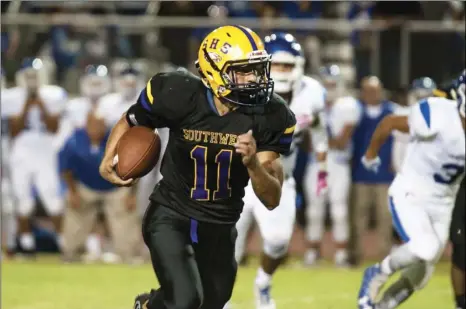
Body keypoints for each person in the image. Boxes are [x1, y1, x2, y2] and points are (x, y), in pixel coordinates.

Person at [99, 25, 296, 309]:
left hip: (220, 223)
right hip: (171, 214)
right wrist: (109, 157)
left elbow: (272, 198)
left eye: (257, 69)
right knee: (186, 301)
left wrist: (253, 164)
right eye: (243, 70)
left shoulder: (270, 114)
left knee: (210, 302)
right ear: (214, 71)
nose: (254, 78)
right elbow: (133, 119)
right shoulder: (178, 92)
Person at [230, 32, 326, 308]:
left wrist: (322, 167)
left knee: (277, 241)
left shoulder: (312, 94)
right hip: (237, 179)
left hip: (279, 179)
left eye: (288, 65)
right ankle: (219, 297)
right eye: (278, 65)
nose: (283, 71)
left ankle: (263, 283)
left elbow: (319, 129)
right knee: (228, 249)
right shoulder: (244, 92)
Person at [357, 71, 466, 309]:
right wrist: (371, 153)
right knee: (423, 249)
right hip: (413, 191)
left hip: (443, 202)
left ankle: (382, 306)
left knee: (422, 273)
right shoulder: (439, 115)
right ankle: (378, 272)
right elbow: (388, 123)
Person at [2, 58, 67, 255]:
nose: (31, 80)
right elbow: (14, 130)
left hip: (45, 148)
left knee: (52, 198)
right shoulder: (12, 97)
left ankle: (64, 243)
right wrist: (26, 106)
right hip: (21, 149)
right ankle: (26, 245)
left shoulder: (52, 95)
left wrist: (40, 104)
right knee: (22, 200)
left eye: (34, 76)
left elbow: (54, 128)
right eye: (28, 76)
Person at [59, 112, 140, 263]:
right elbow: (65, 168)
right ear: (86, 124)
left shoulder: (119, 139)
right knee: (75, 212)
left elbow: (136, 166)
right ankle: (71, 253)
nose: (95, 129)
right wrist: (72, 192)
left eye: (99, 125)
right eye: (92, 125)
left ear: (106, 125)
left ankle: (130, 255)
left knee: (125, 215)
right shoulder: (74, 140)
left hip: (116, 186)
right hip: (85, 186)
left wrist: (131, 194)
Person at [349, 76, 396, 265]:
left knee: (385, 218)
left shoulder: (392, 112)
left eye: (374, 90)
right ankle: (356, 255)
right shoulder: (353, 111)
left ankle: (385, 257)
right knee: (358, 219)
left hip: (384, 174)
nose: (370, 94)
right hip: (360, 174)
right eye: (367, 90)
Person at [318, 64, 360, 266]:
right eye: (326, 84)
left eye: (333, 84)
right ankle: (312, 253)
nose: (330, 87)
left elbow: (341, 142)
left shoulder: (348, 105)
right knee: (314, 210)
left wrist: (322, 138)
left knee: (339, 210)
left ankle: (341, 255)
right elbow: (310, 144)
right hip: (318, 165)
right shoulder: (313, 104)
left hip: (338, 165)